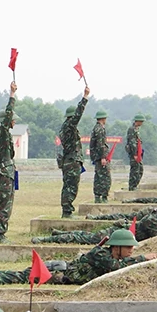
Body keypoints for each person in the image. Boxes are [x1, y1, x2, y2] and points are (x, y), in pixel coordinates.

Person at [0, 230, 157, 285]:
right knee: (11, 277)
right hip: (55, 272)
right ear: (116, 247)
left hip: (61, 271)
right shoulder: (101, 254)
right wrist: (144, 258)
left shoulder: (110, 255)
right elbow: (115, 267)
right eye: (129, 247)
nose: (132, 250)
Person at [33, 195, 157, 245]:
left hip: (124, 234)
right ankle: (45, 239)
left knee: (85, 235)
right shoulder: (151, 220)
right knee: (87, 238)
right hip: (119, 234)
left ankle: (59, 234)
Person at [0, 82, 18, 243]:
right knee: (3, 204)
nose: (14, 121)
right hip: (3, 174)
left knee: (7, 204)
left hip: (7, 173)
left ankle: (2, 232)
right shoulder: (1, 133)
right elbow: (8, 115)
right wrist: (12, 94)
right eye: (12, 119)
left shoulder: (5, 134)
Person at [58, 86, 89, 217]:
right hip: (72, 160)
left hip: (68, 160)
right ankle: (67, 211)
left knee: (68, 186)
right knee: (71, 186)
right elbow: (78, 114)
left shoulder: (64, 127)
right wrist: (85, 97)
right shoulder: (70, 126)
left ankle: (66, 210)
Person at [90, 110, 111, 203]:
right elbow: (100, 144)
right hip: (100, 157)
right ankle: (103, 196)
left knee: (98, 176)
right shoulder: (100, 129)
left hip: (97, 156)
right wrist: (103, 157)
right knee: (105, 177)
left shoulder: (97, 128)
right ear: (103, 118)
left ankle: (98, 197)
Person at [125, 114, 145, 191]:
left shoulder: (136, 130)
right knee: (135, 170)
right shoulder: (132, 129)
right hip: (134, 154)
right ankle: (132, 186)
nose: (142, 123)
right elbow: (132, 143)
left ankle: (135, 185)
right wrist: (135, 154)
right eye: (141, 121)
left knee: (140, 169)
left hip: (138, 153)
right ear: (137, 121)